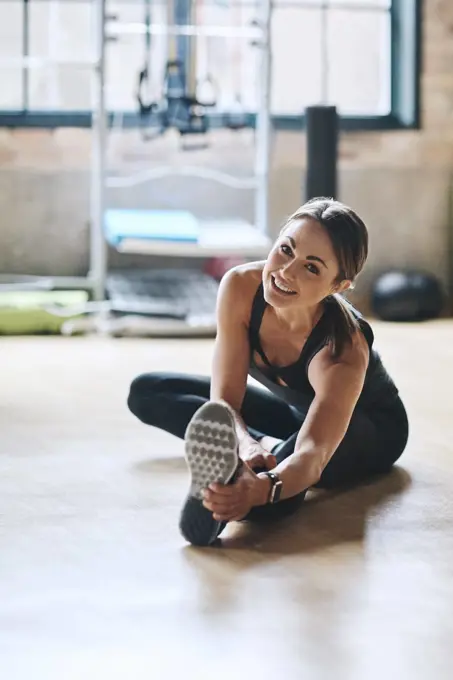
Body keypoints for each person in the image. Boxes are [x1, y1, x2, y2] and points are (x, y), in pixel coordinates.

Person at [127, 198, 409, 547]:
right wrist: (243, 444)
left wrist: (260, 488)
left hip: (367, 430)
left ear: (338, 286)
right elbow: (225, 401)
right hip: (297, 415)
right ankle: (264, 451)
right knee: (147, 392)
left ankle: (248, 481)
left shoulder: (342, 350)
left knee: (275, 491)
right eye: (286, 249)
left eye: (312, 268)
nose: (286, 272)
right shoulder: (241, 288)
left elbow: (312, 454)